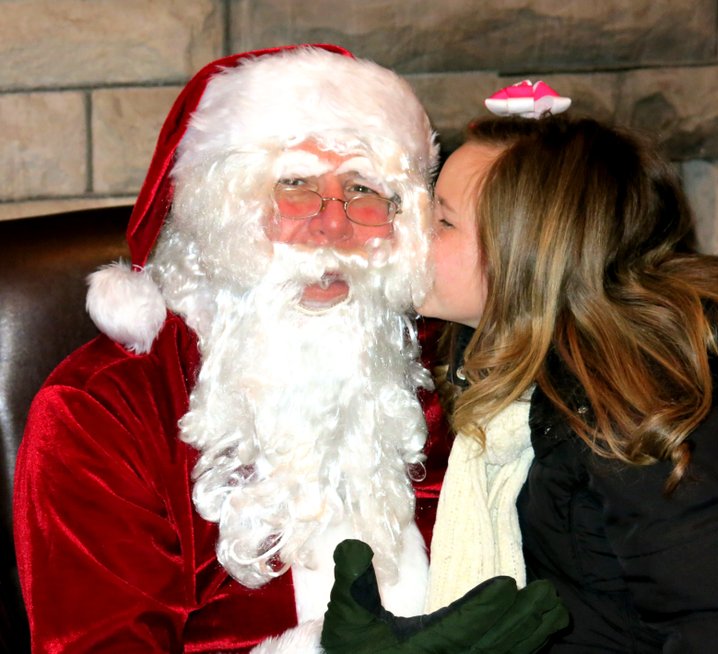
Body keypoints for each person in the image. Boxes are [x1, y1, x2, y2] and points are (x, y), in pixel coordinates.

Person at [13, 44, 453, 653]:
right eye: (294, 183)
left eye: (361, 189)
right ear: (217, 209)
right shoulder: (101, 409)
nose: (333, 225)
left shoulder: (426, 365)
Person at [417, 90, 718, 651]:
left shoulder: (637, 416)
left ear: (528, 257)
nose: (414, 232)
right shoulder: (500, 366)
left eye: (443, 220)